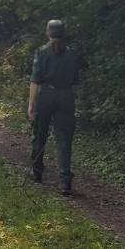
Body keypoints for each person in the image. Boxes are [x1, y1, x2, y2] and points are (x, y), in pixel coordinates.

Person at [28, 19, 79, 196]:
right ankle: (65, 181)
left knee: (40, 134)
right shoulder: (72, 54)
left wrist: (31, 104)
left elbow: (35, 80)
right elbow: (75, 80)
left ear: (48, 32)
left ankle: (37, 172)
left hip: (47, 96)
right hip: (66, 97)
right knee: (64, 139)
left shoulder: (42, 52)